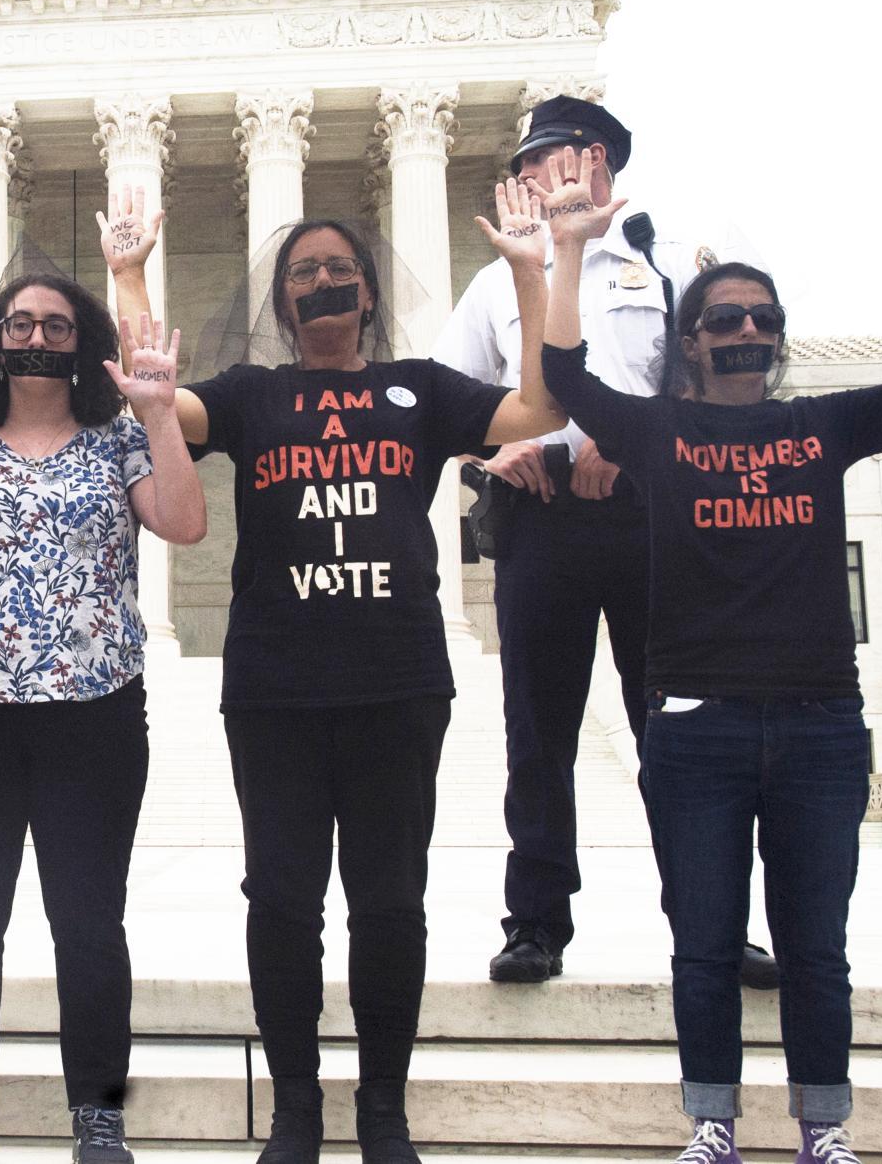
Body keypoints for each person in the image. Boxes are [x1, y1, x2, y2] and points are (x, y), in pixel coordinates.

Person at [110, 179, 567, 1161]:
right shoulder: (254, 396)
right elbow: (157, 392)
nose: (323, 282)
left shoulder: (422, 390)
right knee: (280, 901)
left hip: (397, 684)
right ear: (285, 302)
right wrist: (128, 273)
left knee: (390, 902)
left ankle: (384, 1107)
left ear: (366, 293)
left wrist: (530, 275)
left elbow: (537, 403)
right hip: (274, 688)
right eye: (304, 272)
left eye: (340, 270)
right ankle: (295, 1108)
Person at [533, 146, 882, 1164]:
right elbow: (565, 375)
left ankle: (823, 1129)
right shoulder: (658, 431)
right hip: (698, 726)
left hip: (820, 726)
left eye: (762, 319)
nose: (746, 330)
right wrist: (569, 250)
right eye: (724, 319)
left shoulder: (824, 424)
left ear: (777, 340)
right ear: (693, 342)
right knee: (704, 945)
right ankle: (712, 1123)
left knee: (816, 950)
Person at [432, 96, 777, 988]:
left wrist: (623, 451)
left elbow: (697, 394)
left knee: (674, 726)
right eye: (529, 165)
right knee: (536, 733)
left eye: (548, 160)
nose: (535, 178)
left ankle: (712, 920)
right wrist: (496, 451)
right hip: (540, 520)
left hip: (642, 519)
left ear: (596, 162)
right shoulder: (497, 280)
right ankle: (537, 923)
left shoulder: (659, 271)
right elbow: (453, 401)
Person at [0, 264, 205, 1162]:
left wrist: (160, 413)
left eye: (58, 327)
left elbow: (184, 523)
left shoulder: (120, 445)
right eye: (20, 325)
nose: (37, 339)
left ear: (85, 343)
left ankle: (99, 1113)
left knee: (90, 918)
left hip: (93, 712)